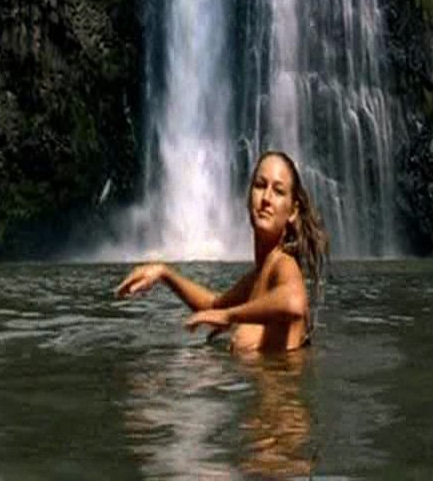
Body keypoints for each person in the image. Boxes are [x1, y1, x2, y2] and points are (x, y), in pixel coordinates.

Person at [115, 150, 328, 353]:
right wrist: (164, 273)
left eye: (278, 191)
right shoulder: (259, 275)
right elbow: (212, 306)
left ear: (293, 211)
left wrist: (229, 316)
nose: (266, 198)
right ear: (249, 196)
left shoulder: (283, 264)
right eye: (260, 185)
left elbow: (294, 301)